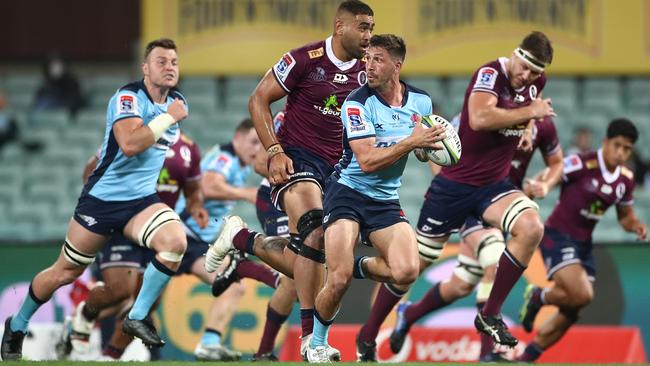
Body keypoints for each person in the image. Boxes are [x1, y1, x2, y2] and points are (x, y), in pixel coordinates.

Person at [352, 31, 556, 353]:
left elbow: (529, 113)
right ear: (515, 54)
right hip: (454, 188)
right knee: (410, 270)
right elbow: (479, 117)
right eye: (525, 66)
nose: (527, 75)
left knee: (531, 227)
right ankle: (369, 332)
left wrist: (529, 127)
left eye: (535, 71)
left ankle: (490, 316)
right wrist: (531, 115)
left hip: (494, 187)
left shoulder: (534, 85)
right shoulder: (490, 74)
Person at [204, 0, 375, 361]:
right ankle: (311, 340)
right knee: (313, 234)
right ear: (340, 27)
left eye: (372, 28)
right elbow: (258, 99)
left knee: (311, 260)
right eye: (362, 27)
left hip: (338, 170)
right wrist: (275, 150)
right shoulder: (303, 59)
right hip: (298, 159)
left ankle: (240, 238)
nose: (368, 36)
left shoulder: (367, 71)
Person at [2, 38, 188, 361]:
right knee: (64, 272)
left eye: (173, 62)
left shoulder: (178, 101)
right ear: (145, 68)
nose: (169, 67)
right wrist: (167, 118)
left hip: (141, 202)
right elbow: (129, 144)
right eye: (161, 61)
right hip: (101, 202)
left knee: (175, 241)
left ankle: (136, 316)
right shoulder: (128, 97)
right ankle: (17, 325)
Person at [304, 33, 447, 362]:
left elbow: (424, 149)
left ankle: (356, 266)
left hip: (385, 200)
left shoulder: (421, 102)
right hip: (347, 193)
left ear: (397, 65)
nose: (368, 65)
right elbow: (367, 161)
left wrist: (430, 150)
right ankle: (317, 343)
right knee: (336, 280)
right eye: (366, 58)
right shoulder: (356, 102)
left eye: (377, 59)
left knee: (407, 271)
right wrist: (412, 142)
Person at [382, 116, 564, 362]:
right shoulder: (480, 114)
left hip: (504, 203)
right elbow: (440, 148)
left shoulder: (541, 125)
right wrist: (448, 185)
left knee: (462, 284)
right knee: (493, 259)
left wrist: (544, 186)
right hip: (471, 201)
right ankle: (488, 352)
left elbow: (556, 163)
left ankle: (409, 314)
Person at [56, 130, 220, 361]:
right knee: (120, 291)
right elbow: (90, 171)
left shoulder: (188, 149)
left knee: (145, 303)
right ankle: (84, 314)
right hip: (124, 225)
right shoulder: (131, 138)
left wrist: (196, 207)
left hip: (161, 233)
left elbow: (193, 191)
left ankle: (110, 357)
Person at [517, 118, 647, 362]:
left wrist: (637, 226)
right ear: (606, 142)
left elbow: (625, 218)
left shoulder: (625, 180)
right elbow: (553, 172)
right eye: (617, 145)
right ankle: (538, 296)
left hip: (584, 245)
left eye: (627, 149)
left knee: (572, 311)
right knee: (583, 295)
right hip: (557, 235)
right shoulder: (583, 162)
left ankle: (527, 356)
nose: (620, 153)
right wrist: (539, 184)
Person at [176, 118, 297, 361]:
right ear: (237, 138)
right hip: (183, 233)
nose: (255, 149)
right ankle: (88, 333)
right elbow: (208, 187)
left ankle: (209, 342)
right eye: (252, 141)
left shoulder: (239, 164)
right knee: (126, 295)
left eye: (258, 143)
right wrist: (245, 194)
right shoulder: (226, 157)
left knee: (235, 286)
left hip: (196, 239)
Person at [32, 54, 86, 118]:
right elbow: (39, 97)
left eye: (58, 66)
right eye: (53, 66)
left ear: (64, 67)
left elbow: (75, 99)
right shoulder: (46, 82)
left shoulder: (72, 82)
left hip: (66, 107)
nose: (56, 69)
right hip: (50, 108)